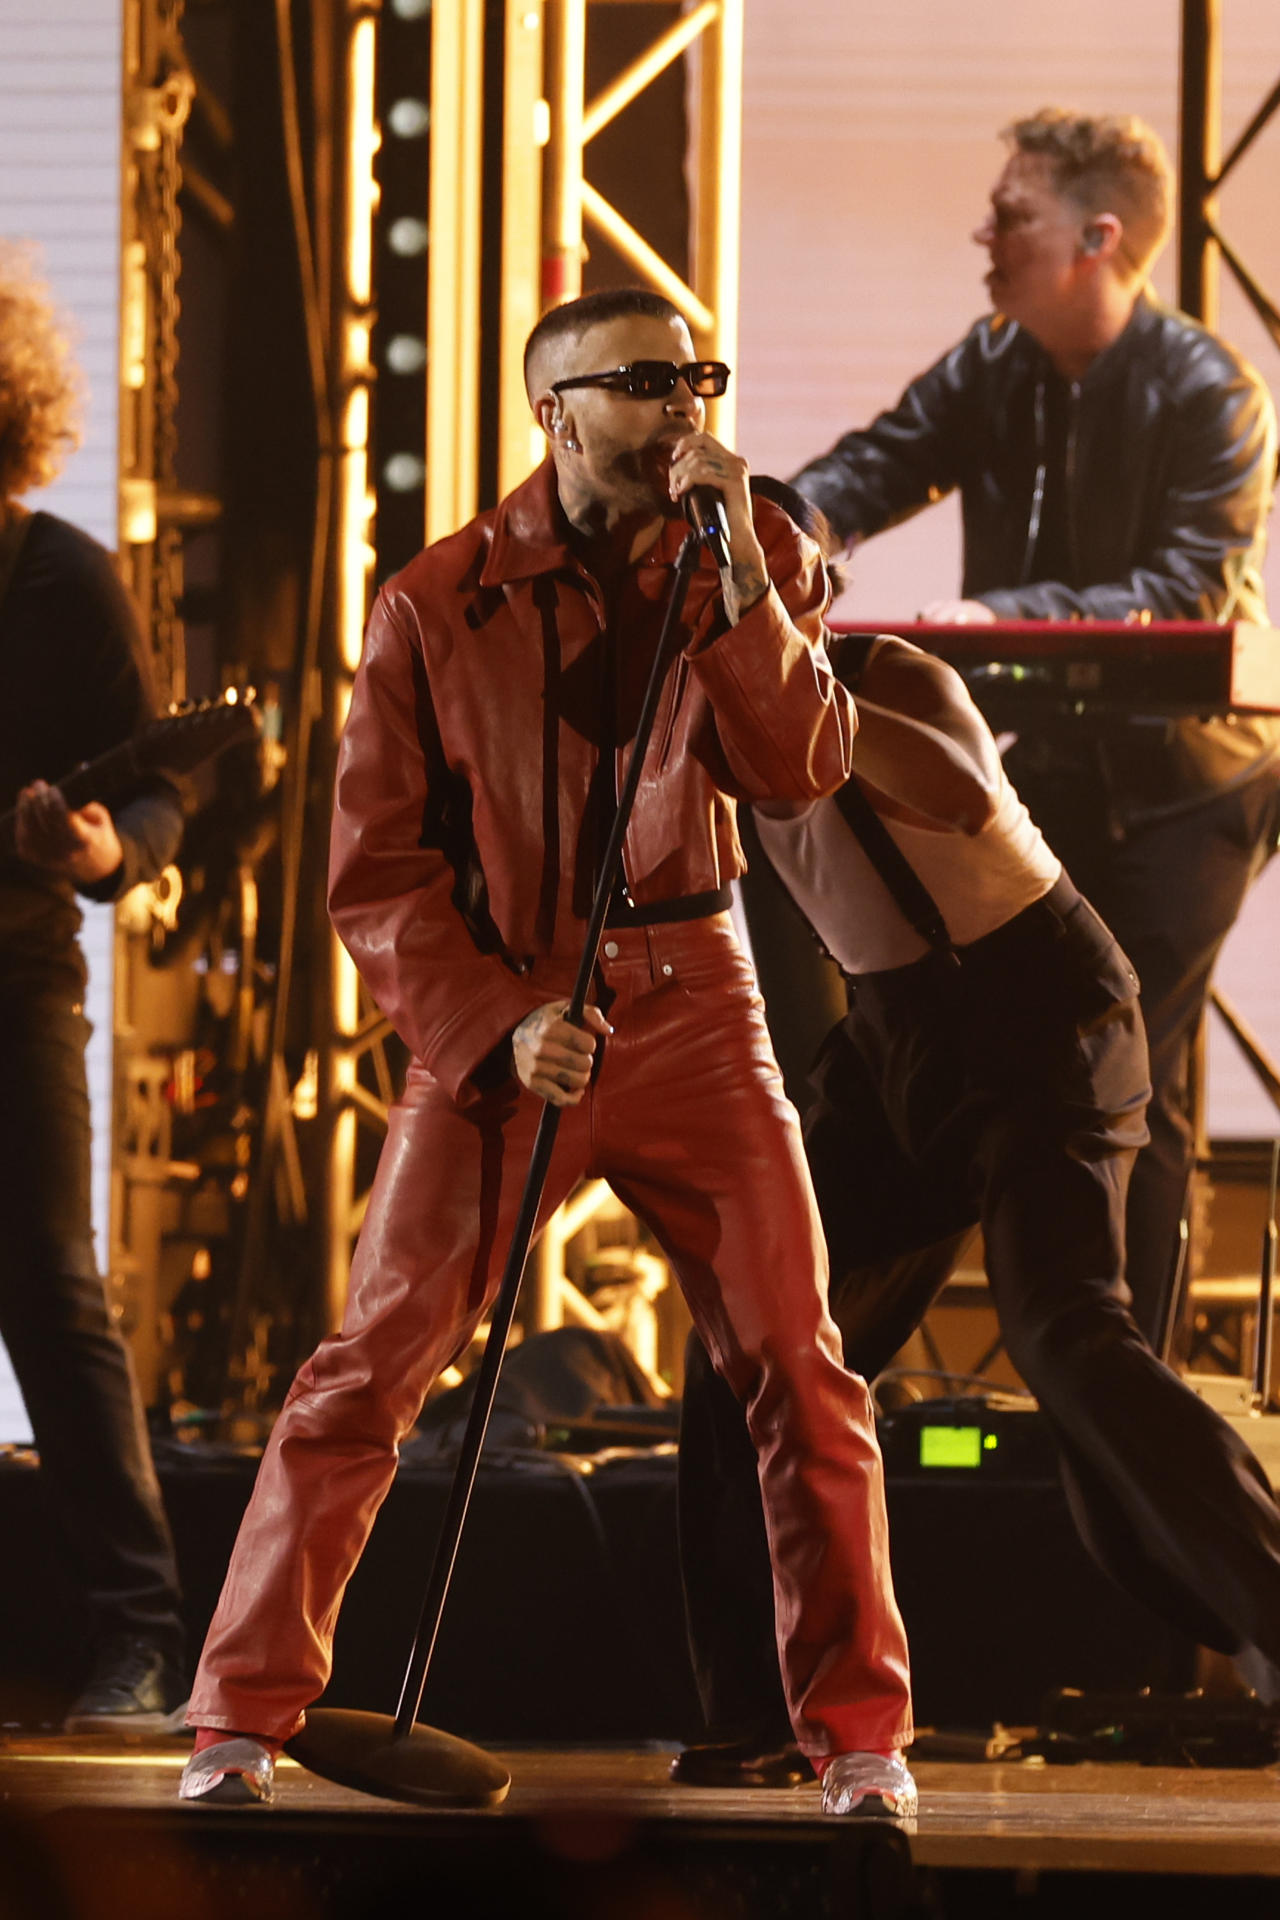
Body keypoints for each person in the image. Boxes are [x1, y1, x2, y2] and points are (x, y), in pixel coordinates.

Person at [178, 287, 916, 1818]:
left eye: (697, 376)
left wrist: (747, 593)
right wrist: (498, 1027)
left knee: (801, 1363)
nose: (679, 408)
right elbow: (373, 878)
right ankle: (239, 1722)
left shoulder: (742, 559)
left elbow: (799, 767)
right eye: (642, 382)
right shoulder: (437, 603)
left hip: (698, 1004)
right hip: (512, 1010)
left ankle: (862, 1742)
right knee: (368, 1368)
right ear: (554, 409)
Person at [675, 604, 1280, 1786]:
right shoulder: (702, 735)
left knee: (1066, 1337)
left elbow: (953, 795)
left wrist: (788, 692)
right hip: (894, 1040)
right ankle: (758, 1711)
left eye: (778, 587)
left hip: (1037, 1015)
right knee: (744, 1345)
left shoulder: (892, 679)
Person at [791, 107, 1280, 1348]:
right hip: (1052, 770)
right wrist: (782, 531)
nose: (983, 233)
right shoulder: (991, 360)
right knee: (1094, 1078)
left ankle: (1103, 1374)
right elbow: (878, 463)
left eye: (1012, 212)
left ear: (1095, 236)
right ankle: (1105, 1385)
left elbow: (1185, 591)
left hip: (1193, 787)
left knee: (1101, 1062)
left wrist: (999, 614)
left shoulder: (1213, 392)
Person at [0, 244, 187, 1731]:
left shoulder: (62, 582)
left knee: (52, 1291)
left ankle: (138, 1631)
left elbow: (165, 794)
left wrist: (101, 842)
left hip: (11, 974)